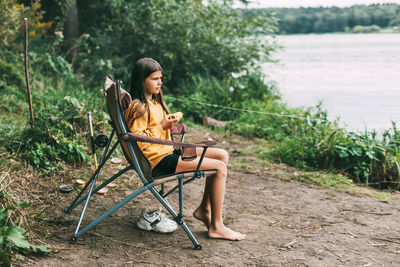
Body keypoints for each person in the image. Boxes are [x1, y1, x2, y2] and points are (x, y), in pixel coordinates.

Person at [125, 57, 245, 241]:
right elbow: (137, 140)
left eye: (160, 78)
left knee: (222, 155)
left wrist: (169, 125)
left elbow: (158, 133)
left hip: (167, 152)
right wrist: (162, 126)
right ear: (142, 80)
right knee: (220, 168)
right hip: (157, 162)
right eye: (155, 79)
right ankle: (216, 226)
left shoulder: (155, 102)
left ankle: (205, 210)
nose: (160, 83)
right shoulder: (138, 107)